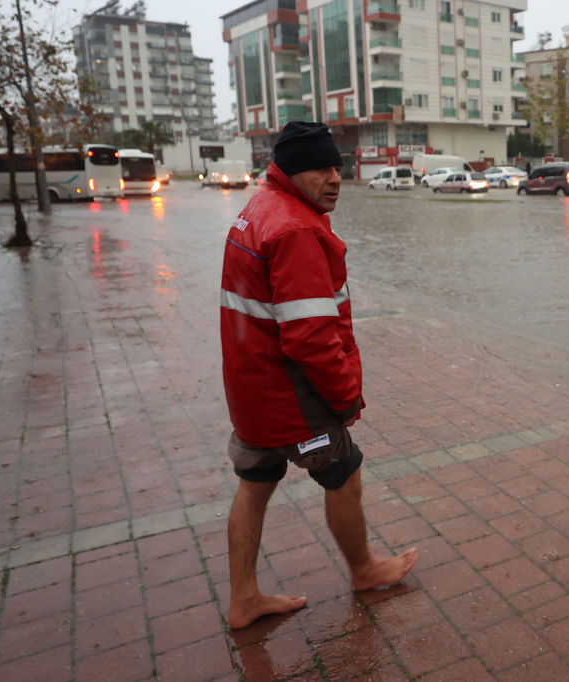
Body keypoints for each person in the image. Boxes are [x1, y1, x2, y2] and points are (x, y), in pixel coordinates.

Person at [220, 121, 418, 629]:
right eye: (321, 168)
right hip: (290, 393)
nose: (334, 177)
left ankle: (244, 597)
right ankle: (364, 569)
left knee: (255, 481)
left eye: (338, 166)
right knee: (343, 472)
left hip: (251, 386)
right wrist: (347, 397)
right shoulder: (297, 229)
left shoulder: (258, 210)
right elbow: (309, 338)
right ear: (290, 170)